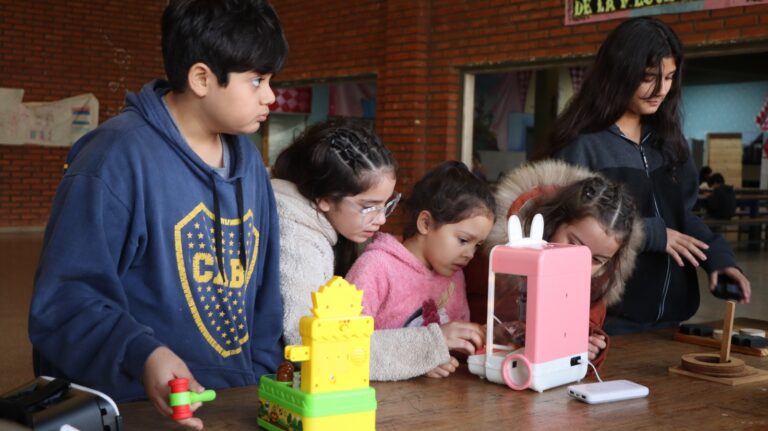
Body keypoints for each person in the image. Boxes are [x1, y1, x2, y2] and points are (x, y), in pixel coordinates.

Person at [28, 1, 288, 428]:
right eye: (257, 80)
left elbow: (264, 296)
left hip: (233, 404)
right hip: (134, 408)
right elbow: (64, 303)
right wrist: (144, 355)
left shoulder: (251, 166)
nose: (270, 96)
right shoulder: (113, 159)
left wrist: (256, 383)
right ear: (202, 78)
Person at [532, 17, 751, 334]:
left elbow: (680, 217)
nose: (661, 90)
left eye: (670, 77)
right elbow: (563, 231)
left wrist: (719, 258)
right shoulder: (583, 147)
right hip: (606, 323)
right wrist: (651, 235)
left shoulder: (670, 143)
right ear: (618, 74)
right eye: (649, 78)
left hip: (672, 320)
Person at [464, 160, 643, 370]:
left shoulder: (597, 282)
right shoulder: (489, 253)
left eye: (596, 260)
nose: (581, 262)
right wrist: (488, 334)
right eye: (575, 244)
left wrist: (588, 349)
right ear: (554, 221)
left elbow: (586, 328)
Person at [271, 120, 409, 378]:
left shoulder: (329, 224)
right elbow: (311, 343)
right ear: (324, 199)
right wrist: (428, 345)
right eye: (368, 207)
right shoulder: (297, 240)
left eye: (386, 205)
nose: (381, 219)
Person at [346, 161, 494, 379]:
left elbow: (450, 347)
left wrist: (479, 338)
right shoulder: (375, 268)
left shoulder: (455, 275)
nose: (470, 254)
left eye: (477, 245)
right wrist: (419, 359)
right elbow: (344, 349)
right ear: (425, 223)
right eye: (463, 240)